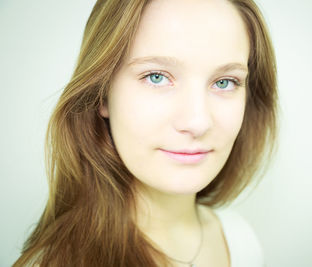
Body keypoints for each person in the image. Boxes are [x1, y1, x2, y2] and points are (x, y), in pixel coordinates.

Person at [13, 0, 277, 266]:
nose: (197, 122)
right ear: (102, 95)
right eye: (156, 77)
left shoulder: (240, 240)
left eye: (224, 82)